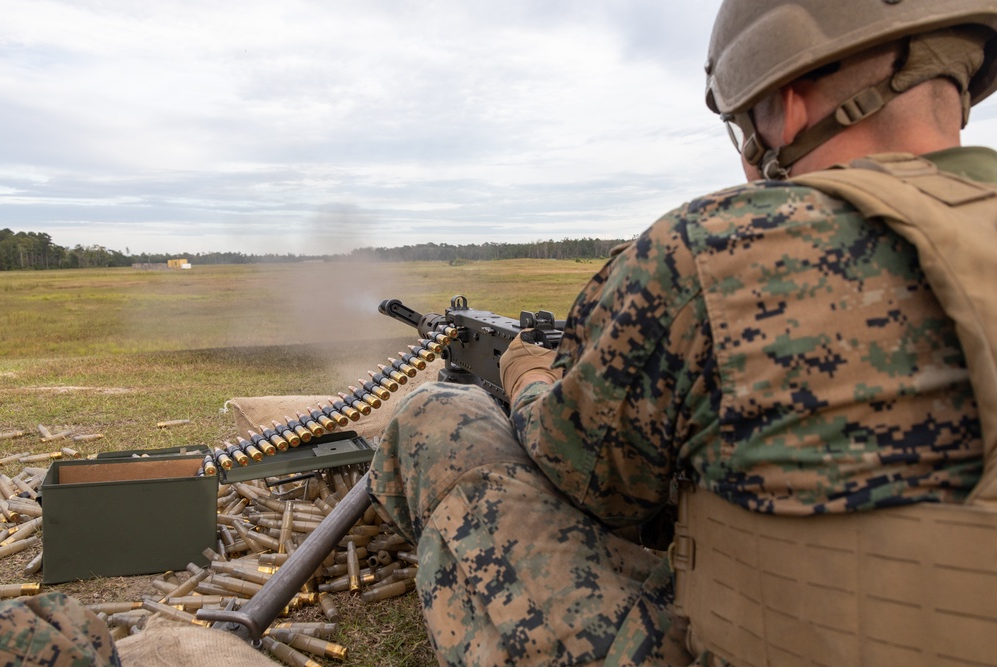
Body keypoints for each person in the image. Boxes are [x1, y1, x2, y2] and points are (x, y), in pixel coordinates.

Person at [368, 1, 997, 665]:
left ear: (784, 106)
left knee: (442, 417)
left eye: (744, 123)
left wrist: (526, 377)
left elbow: (585, 480)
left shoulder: (718, 249)